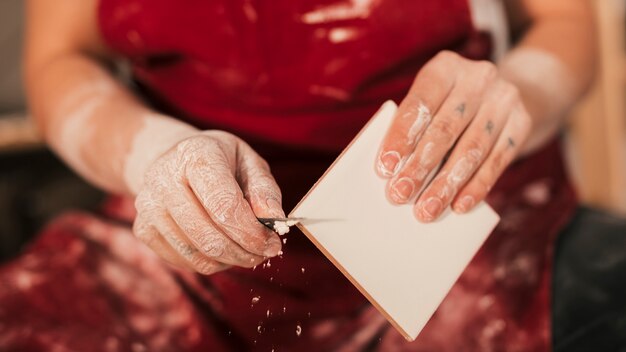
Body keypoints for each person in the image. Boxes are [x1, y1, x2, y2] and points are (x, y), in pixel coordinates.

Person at [0, 0, 595, 350]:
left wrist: (518, 95)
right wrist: (153, 150)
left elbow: (568, 27)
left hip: (452, 224)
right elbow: (60, 56)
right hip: (184, 241)